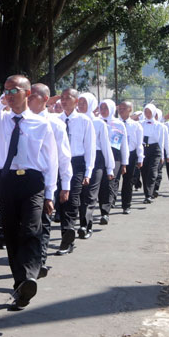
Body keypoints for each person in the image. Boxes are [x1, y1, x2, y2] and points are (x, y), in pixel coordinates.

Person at [0, 75, 58, 311]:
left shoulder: (42, 124)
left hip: (32, 182)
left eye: (13, 90)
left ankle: (29, 276)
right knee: (11, 234)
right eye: (5, 90)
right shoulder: (0, 120)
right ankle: (22, 285)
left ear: (27, 93)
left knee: (31, 229)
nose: (8, 94)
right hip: (6, 181)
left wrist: (50, 193)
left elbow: (51, 160)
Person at [29, 84, 71, 277]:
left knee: (44, 222)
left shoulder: (55, 124)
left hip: (46, 180)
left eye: (34, 96)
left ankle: (40, 260)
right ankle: (30, 259)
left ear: (46, 99)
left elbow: (63, 156)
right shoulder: (20, 120)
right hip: (22, 181)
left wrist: (66, 185)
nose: (29, 99)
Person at [56, 88, 95, 254]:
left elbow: (90, 148)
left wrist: (88, 172)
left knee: (72, 199)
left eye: (68, 98)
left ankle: (67, 236)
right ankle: (67, 230)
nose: (64, 101)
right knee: (59, 200)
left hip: (77, 163)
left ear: (76, 100)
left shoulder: (84, 121)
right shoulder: (55, 120)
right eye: (62, 98)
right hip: (57, 163)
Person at [76, 93, 114, 239]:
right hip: (80, 159)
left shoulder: (99, 123)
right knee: (79, 193)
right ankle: (81, 222)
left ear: (91, 104)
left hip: (97, 160)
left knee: (90, 193)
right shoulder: (75, 120)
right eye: (79, 102)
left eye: (84, 102)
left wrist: (110, 168)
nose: (81, 105)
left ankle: (85, 225)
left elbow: (106, 146)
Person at [97, 99, 129, 224]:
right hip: (99, 154)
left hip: (114, 155)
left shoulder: (119, 124)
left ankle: (105, 212)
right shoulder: (96, 122)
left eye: (106, 108)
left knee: (109, 182)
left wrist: (124, 163)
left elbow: (123, 144)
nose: (103, 111)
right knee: (100, 184)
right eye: (102, 108)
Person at [118, 101, 144, 214]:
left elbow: (139, 143)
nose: (121, 110)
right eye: (120, 108)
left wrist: (140, 158)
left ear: (130, 110)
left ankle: (126, 205)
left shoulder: (136, 125)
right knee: (113, 180)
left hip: (131, 154)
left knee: (128, 181)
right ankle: (110, 202)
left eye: (124, 108)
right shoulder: (114, 123)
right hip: (117, 154)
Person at [140, 104, 168, 202]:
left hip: (155, 149)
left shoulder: (159, 125)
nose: (147, 114)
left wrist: (163, 156)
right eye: (146, 112)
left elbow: (161, 141)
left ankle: (149, 194)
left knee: (152, 171)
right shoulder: (140, 124)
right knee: (144, 172)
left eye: (150, 112)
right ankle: (147, 193)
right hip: (144, 149)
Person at [153, 108, 169, 196]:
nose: (155, 116)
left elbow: (166, 142)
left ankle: (155, 188)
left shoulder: (163, 127)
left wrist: (168, 154)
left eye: (156, 115)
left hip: (160, 151)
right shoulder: (145, 125)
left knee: (158, 171)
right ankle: (150, 189)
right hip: (149, 151)